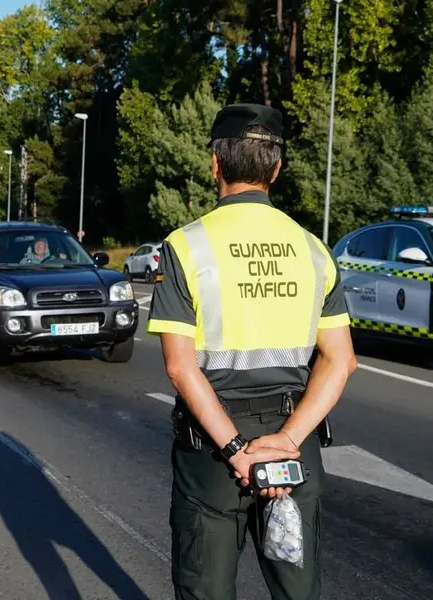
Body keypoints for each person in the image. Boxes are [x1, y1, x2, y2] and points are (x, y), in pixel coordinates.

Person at [147, 103, 357, 600]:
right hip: (294, 447)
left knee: (206, 589)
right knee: (297, 591)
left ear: (215, 163)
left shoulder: (186, 247)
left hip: (214, 455)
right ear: (277, 169)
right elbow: (340, 359)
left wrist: (239, 452)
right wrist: (287, 440)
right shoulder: (312, 248)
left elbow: (180, 367)